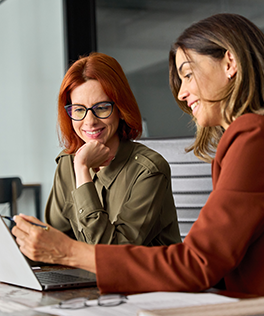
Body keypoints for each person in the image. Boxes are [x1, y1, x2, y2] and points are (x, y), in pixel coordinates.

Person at [13, 13, 264, 295]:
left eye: (188, 74)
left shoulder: (253, 137)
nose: (181, 94)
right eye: (79, 110)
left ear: (230, 63)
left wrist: (68, 251)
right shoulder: (244, 139)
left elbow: (196, 263)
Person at [43, 52, 181, 246]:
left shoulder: (149, 171)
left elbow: (112, 254)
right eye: (79, 110)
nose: (89, 121)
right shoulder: (67, 163)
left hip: (138, 276)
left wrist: (82, 171)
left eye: (101, 107)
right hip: (85, 276)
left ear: (121, 109)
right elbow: (54, 242)